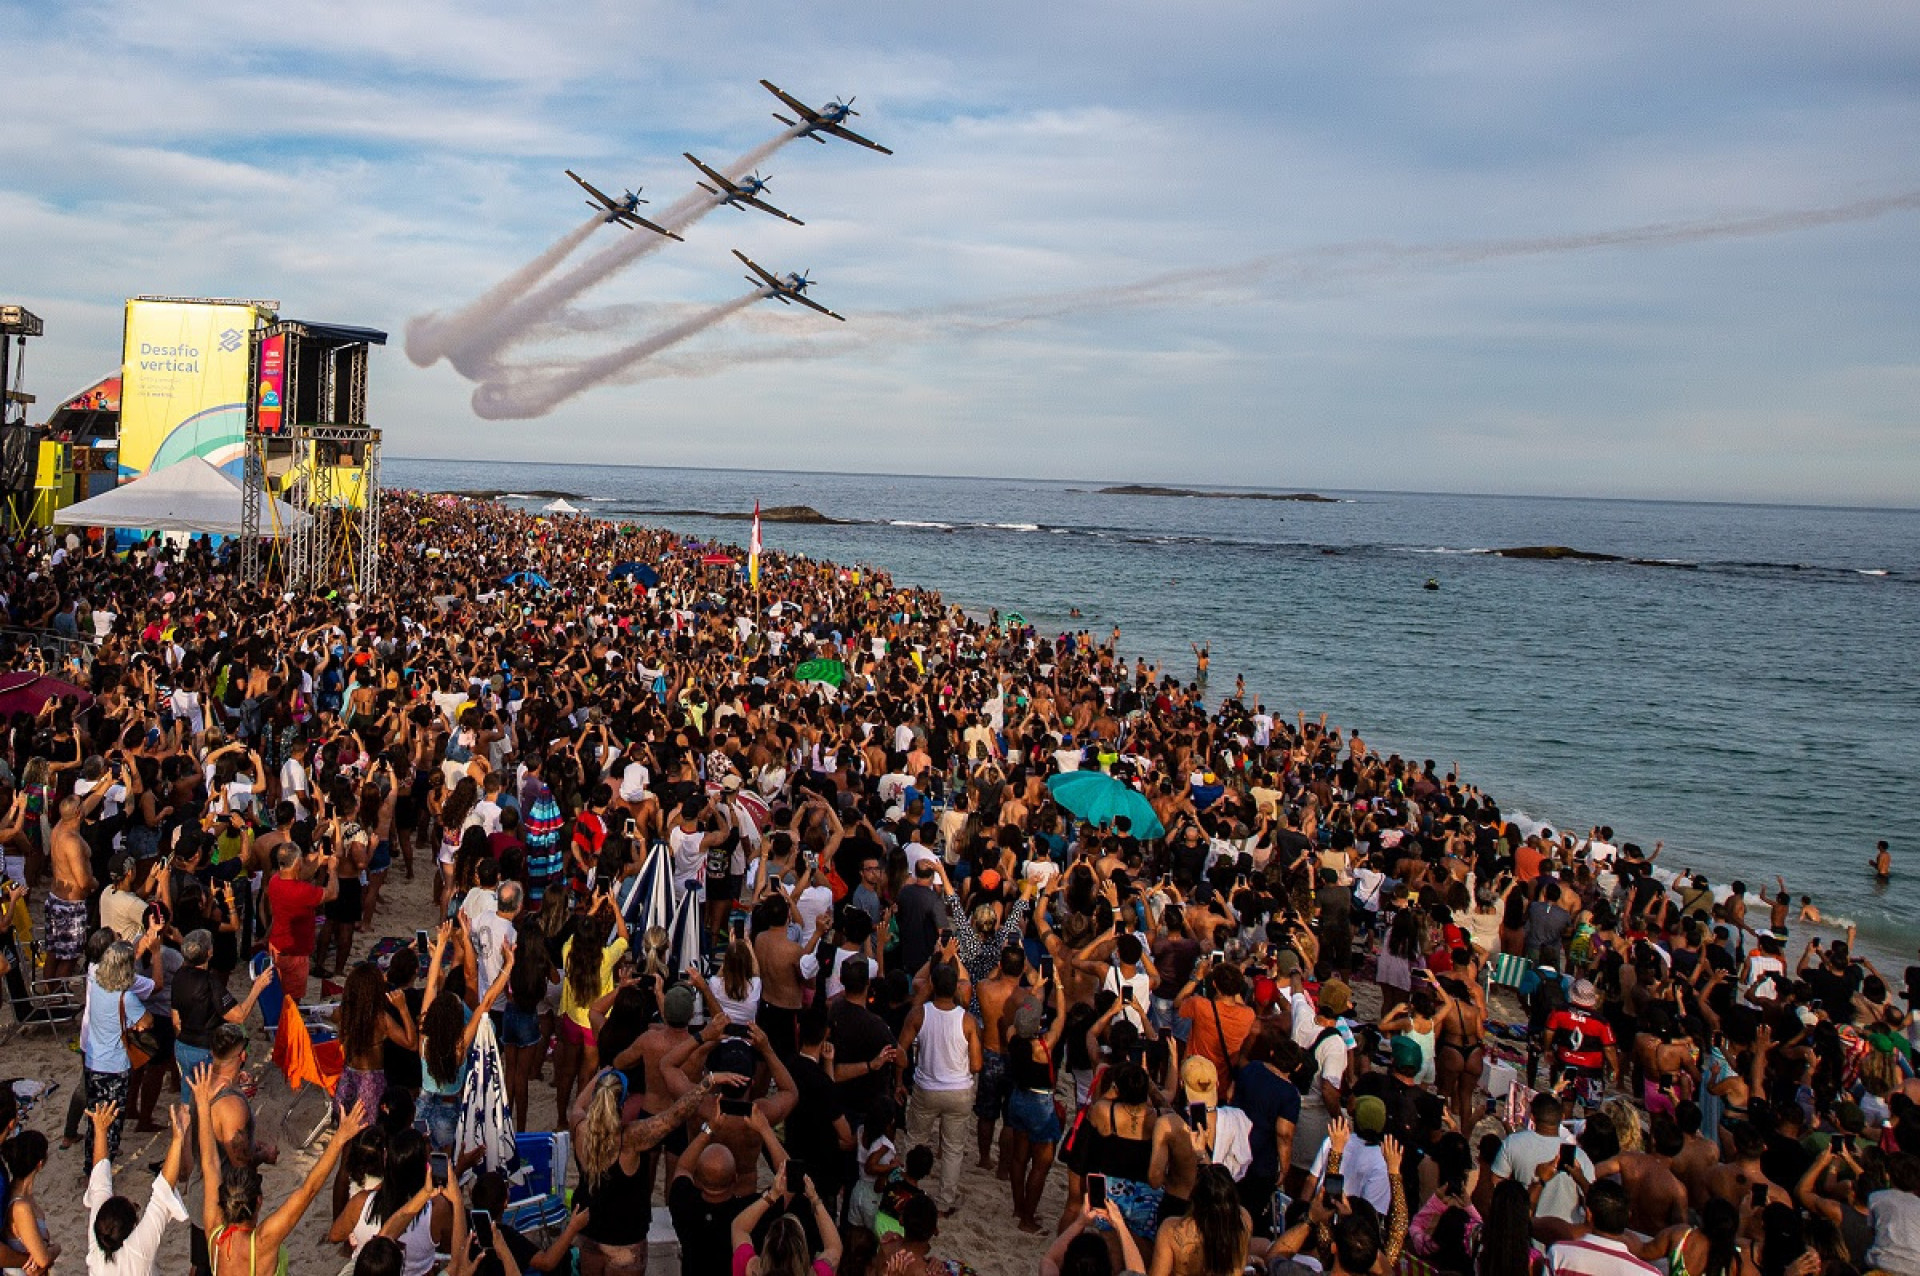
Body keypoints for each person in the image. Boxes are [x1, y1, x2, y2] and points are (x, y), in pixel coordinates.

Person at [191, 1062, 374, 1276]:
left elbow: (210, 1164)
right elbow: (308, 1190)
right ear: (259, 1201)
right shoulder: (264, 1241)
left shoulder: (214, 1233)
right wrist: (340, 1138)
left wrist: (203, 1106)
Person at [899, 958, 981, 1217]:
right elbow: (976, 1064)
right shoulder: (967, 1020)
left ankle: (906, 1191)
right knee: (953, 1148)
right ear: (955, 987)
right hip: (958, 1089)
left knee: (915, 1139)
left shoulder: (919, 1014)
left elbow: (900, 1051)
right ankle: (945, 1200)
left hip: (927, 1086)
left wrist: (899, 1081)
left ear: (932, 985)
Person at [84, 1098, 195, 1276]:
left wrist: (101, 1130)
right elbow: (163, 1193)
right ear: (132, 1226)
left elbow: (100, 1182)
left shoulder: (98, 1242)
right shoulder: (138, 1250)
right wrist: (177, 1139)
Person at [728, 1160, 843, 1276]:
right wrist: (814, 1199)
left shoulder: (748, 1268)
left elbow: (739, 1227)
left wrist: (772, 1195)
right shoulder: (820, 1273)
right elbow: (834, 1247)